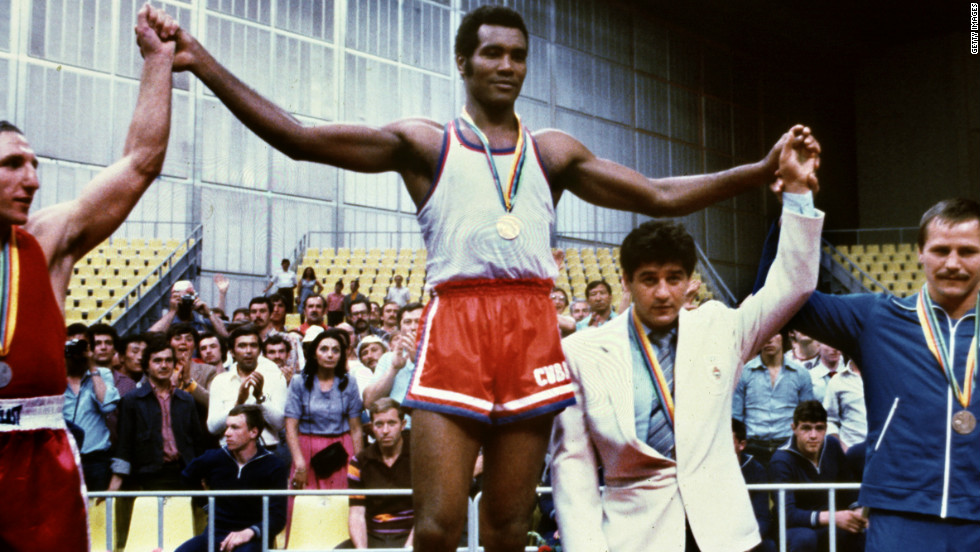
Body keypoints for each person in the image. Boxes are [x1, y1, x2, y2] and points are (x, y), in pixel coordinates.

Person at [148, 4, 819, 548]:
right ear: (463, 61)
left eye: (517, 55)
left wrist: (761, 172)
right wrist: (201, 60)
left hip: (530, 328)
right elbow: (298, 139)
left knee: (505, 528)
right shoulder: (427, 143)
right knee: (438, 527)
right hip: (458, 323)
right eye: (492, 53)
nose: (506, 65)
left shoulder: (552, 152)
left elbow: (656, 194)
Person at [550, 132, 822, 551]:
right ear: (626, 281)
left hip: (725, 535)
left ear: (689, 281)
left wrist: (799, 192)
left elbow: (793, 283)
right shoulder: (582, 352)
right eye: (649, 279)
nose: (662, 293)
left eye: (674, 278)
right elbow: (573, 469)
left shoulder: (721, 328)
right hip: (636, 539)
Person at [0, 6, 177, 547]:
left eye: (35, 165)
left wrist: (158, 62)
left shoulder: (44, 242)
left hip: (37, 464)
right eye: (12, 165)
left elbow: (140, 162)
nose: (32, 180)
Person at [754, 197, 980, 550]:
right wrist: (796, 210)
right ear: (920, 253)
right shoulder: (877, 318)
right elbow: (777, 300)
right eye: (941, 250)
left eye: (967, 251)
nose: (953, 263)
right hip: (899, 512)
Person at [176, 404, 288, 552]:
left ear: (253, 432)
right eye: (227, 427)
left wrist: (250, 532)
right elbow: (187, 477)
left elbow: (277, 517)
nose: (227, 433)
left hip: (252, 537)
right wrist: (206, 505)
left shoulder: (274, 465)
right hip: (216, 533)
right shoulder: (214, 458)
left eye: (235, 428)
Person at [109, 337, 208, 491]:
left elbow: (197, 441)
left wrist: (202, 475)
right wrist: (116, 482)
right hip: (149, 476)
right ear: (146, 366)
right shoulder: (132, 400)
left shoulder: (186, 399)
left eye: (168, 360)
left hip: (186, 473)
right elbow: (124, 444)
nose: (164, 365)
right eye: (157, 361)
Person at [769, 401, 865, 552]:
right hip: (794, 528)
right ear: (794, 428)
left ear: (826, 429)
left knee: (860, 530)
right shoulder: (781, 460)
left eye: (819, 428)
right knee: (805, 538)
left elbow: (848, 487)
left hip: (827, 523)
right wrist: (833, 517)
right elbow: (787, 514)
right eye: (806, 428)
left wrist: (858, 511)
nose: (813, 435)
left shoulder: (832, 445)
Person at [284, 329, 364, 500]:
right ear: (314, 354)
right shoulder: (299, 382)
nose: (330, 355)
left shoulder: (349, 382)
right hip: (307, 448)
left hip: (341, 449)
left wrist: (359, 463)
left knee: (342, 502)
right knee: (306, 503)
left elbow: (356, 428)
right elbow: (291, 426)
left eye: (335, 350)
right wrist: (299, 463)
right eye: (324, 349)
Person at [733, 332, 816, 465]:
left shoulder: (801, 374)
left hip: (788, 446)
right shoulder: (744, 372)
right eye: (765, 334)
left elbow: (807, 416)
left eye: (774, 334)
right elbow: (736, 416)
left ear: (783, 337)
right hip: (753, 446)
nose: (768, 340)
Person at [341, 398, 414, 549]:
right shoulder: (359, 462)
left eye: (392, 423)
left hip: (410, 535)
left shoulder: (419, 458)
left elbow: (426, 512)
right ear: (372, 427)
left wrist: (408, 549)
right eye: (379, 424)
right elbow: (356, 513)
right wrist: (362, 550)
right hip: (373, 536)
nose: (385, 431)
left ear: (403, 425)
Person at [206, 326, 288, 451]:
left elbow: (280, 424)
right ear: (232, 352)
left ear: (260, 351)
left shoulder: (276, 378)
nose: (248, 351)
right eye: (242, 346)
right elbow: (213, 428)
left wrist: (260, 398)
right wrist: (238, 403)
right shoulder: (220, 381)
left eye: (253, 345)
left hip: (267, 449)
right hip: (229, 450)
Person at [64, 330, 121, 492]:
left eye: (81, 346)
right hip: (64, 457)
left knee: (97, 505)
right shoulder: (56, 376)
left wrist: (91, 365)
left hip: (95, 459)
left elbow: (107, 406)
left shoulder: (102, 373)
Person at [733, 418, 774, 552]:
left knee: (769, 547)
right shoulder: (706, 469)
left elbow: (762, 518)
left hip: (748, 535)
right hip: (716, 536)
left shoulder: (756, 469)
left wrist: (747, 543)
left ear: (742, 445)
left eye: (726, 441)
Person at [151, 280, 229, 337]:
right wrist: (172, 311)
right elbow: (151, 336)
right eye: (184, 298)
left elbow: (225, 335)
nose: (187, 301)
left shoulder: (202, 322)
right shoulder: (167, 324)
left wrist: (208, 313)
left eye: (190, 297)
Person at [823, 360, 866, 452]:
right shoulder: (838, 380)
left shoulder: (886, 377)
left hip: (883, 450)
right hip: (850, 449)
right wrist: (842, 448)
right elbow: (829, 420)